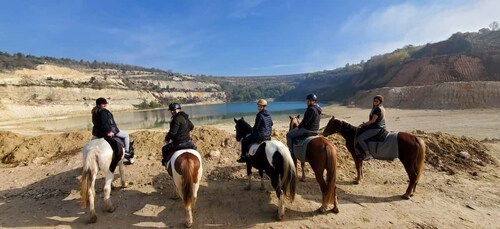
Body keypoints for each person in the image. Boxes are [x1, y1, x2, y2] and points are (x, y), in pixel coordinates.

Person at [237, 99, 273, 163]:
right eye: (258, 106)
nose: (258, 107)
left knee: (244, 141)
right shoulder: (268, 114)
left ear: (264, 107)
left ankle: (243, 157)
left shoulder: (259, 115)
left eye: (260, 106)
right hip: (268, 136)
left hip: (260, 136)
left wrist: (252, 130)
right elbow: (271, 124)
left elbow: (256, 127)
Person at [161, 102, 196, 167]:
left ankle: (165, 163)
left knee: (164, 149)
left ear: (178, 109)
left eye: (174, 110)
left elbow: (172, 132)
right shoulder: (185, 117)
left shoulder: (176, 118)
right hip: (188, 142)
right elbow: (192, 126)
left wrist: (167, 139)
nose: (172, 111)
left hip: (178, 143)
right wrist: (185, 131)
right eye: (171, 110)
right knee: (195, 150)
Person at [356, 95, 387, 161]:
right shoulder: (381, 108)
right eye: (374, 100)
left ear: (380, 102)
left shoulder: (377, 109)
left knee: (360, 138)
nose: (375, 102)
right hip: (379, 127)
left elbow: (373, 121)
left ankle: (368, 154)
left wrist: (364, 124)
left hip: (376, 128)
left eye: (377, 101)